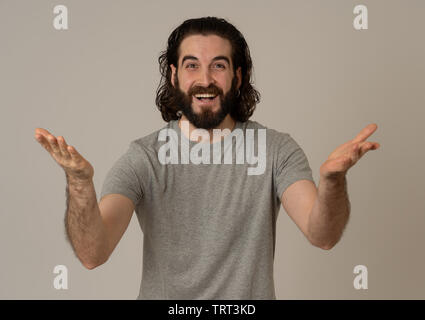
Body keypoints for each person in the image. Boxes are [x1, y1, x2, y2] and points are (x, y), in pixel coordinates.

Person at [34, 17, 380, 300]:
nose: (205, 79)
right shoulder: (144, 157)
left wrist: (333, 181)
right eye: (191, 65)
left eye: (218, 65)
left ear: (237, 76)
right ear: (174, 75)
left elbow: (323, 235)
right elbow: (93, 254)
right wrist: (79, 185)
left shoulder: (276, 150)